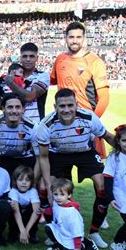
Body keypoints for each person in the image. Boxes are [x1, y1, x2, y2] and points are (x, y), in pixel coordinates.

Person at [37, 88, 115, 249]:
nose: (66, 110)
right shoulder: (46, 125)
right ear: (55, 106)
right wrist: (50, 185)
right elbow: (43, 157)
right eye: (62, 106)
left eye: (70, 105)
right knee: (45, 188)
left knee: (102, 187)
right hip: (58, 154)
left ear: (77, 105)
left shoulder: (88, 117)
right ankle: (56, 230)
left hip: (84, 153)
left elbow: (107, 136)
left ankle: (94, 231)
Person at [50, 22, 109, 157]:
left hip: (86, 124)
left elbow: (104, 98)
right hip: (63, 123)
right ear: (65, 38)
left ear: (84, 38)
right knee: (61, 172)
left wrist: (92, 121)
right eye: (71, 37)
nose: (75, 40)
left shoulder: (95, 62)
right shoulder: (60, 59)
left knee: (96, 174)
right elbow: (50, 80)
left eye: (78, 37)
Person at [0, 94, 38, 177]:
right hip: (0, 160)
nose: (14, 111)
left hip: (25, 160)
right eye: (10, 107)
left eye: (18, 107)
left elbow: (39, 157)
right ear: (3, 109)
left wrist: (34, 181)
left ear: (23, 109)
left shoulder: (33, 127)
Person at [45, 178, 100, 250]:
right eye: (55, 194)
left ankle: (86, 243)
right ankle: (58, 245)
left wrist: (77, 247)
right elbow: (54, 210)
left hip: (72, 236)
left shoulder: (72, 212)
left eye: (62, 194)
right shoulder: (56, 203)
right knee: (48, 228)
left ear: (69, 195)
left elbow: (77, 230)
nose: (58, 197)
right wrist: (44, 211)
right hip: (62, 231)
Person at [2, 43, 50, 123]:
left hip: (35, 126)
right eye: (25, 56)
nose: (28, 59)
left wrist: (11, 83)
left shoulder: (42, 76)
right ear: (20, 58)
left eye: (31, 56)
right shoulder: (10, 76)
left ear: (37, 58)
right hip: (13, 126)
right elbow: (0, 101)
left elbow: (30, 97)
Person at [7, 165, 40, 244]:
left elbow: (36, 211)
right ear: (15, 181)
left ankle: (32, 232)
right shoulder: (13, 191)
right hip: (17, 217)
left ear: (31, 182)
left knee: (35, 209)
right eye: (20, 180)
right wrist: (22, 230)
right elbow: (16, 212)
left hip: (28, 219)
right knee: (12, 208)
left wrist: (26, 231)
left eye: (27, 180)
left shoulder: (33, 191)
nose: (24, 182)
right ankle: (14, 232)